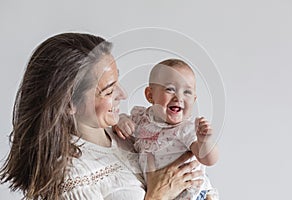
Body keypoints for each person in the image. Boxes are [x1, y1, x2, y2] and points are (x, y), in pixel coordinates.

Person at [0, 33, 204, 200]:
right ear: (69, 104)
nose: (122, 95)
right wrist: (157, 196)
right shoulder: (73, 176)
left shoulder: (127, 136)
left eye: (117, 82)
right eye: (108, 90)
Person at [114, 59, 219, 200]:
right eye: (170, 89)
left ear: (194, 100)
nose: (178, 97)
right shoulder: (142, 118)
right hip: (161, 192)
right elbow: (120, 121)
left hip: (190, 194)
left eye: (187, 92)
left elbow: (208, 160)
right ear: (150, 95)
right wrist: (120, 121)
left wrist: (205, 141)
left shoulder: (185, 129)